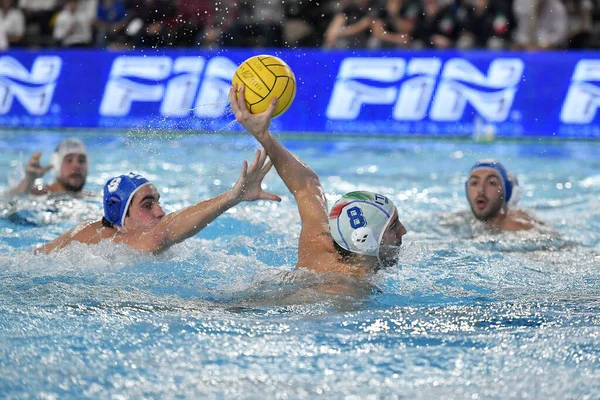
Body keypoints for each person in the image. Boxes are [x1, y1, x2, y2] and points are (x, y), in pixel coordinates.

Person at [229, 84, 407, 281]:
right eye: (393, 226)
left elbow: (307, 185)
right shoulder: (344, 289)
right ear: (365, 241)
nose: (403, 231)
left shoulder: (320, 245)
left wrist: (262, 135)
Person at [38, 150, 281, 254]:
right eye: (147, 205)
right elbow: (161, 236)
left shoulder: (112, 233)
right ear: (122, 218)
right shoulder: (105, 242)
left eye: (158, 202)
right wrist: (232, 196)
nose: (160, 212)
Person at [465, 159, 537, 231]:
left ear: (507, 191)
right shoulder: (464, 220)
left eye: (492, 183)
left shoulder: (517, 227)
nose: (481, 190)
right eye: (474, 183)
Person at [10, 138, 89, 196]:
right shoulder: (39, 193)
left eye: (82, 160)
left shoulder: (90, 197)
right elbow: (9, 200)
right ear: (57, 165)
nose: (77, 166)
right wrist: (28, 181)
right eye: (69, 160)